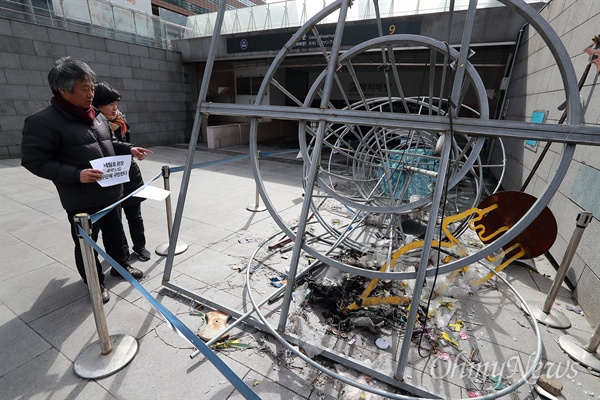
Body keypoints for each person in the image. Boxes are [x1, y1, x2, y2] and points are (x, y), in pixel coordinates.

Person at [21, 57, 152, 304]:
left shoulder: (96, 115)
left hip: (111, 191)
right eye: (85, 89)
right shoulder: (42, 121)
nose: (91, 93)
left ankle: (120, 266)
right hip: (81, 200)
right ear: (63, 89)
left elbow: (106, 144)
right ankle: (95, 283)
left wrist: (129, 149)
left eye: (92, 87)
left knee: (116, 236)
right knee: (86, 245)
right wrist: (76, 174)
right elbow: (34, 161)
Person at [93, 82, 151, 262]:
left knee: (135, 215)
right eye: (110, 104)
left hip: (129, 172)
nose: (115, 108)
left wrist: (133, 149)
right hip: (110, 176)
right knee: (114, 221)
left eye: (116, 104)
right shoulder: (93, 124)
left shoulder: (120, 120)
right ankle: (122, 254)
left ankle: (140, 247)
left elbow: (126, 144)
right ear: (97, 105)